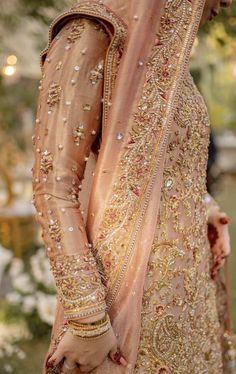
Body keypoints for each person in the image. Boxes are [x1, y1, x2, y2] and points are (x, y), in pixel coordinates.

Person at [31, 0, 233, 373]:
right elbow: (53, 186)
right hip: (122, 313)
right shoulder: (92, 30)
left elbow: (158, 166)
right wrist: (88, 318)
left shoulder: (169, 62)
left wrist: (202, 205)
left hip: (189, 306)